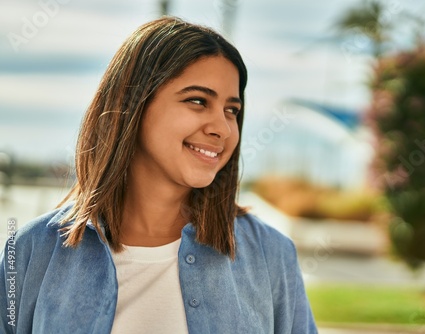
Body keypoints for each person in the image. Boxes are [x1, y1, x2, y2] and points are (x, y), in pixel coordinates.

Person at [0, 16, 317, 333]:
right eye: (197, 101)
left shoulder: (270, 254)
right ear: (133, 104)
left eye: (231, 110)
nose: (222, 128)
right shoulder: (32, 250)